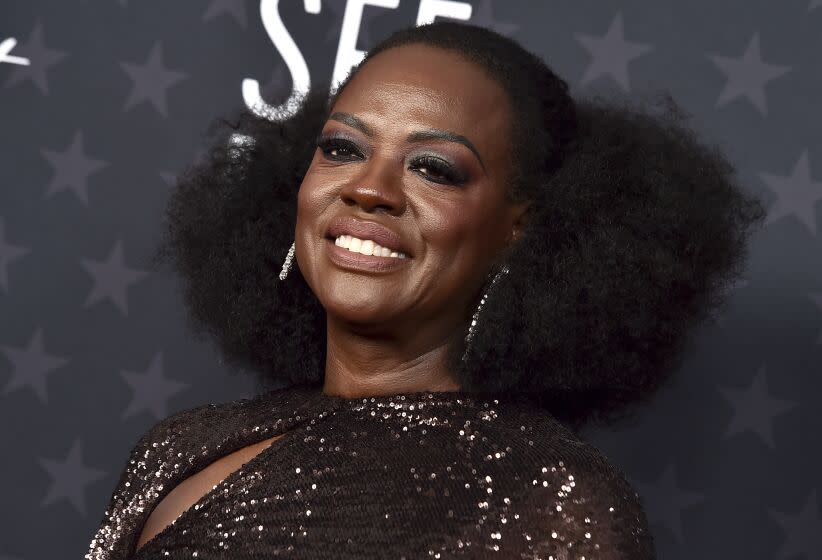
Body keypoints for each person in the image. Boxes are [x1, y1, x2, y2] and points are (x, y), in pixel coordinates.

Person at [85, 20, 765, 559]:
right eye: (342, 148)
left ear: (524, 231)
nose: (369, 189)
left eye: (434, 168)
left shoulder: (549, 503)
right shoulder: (178, 446)